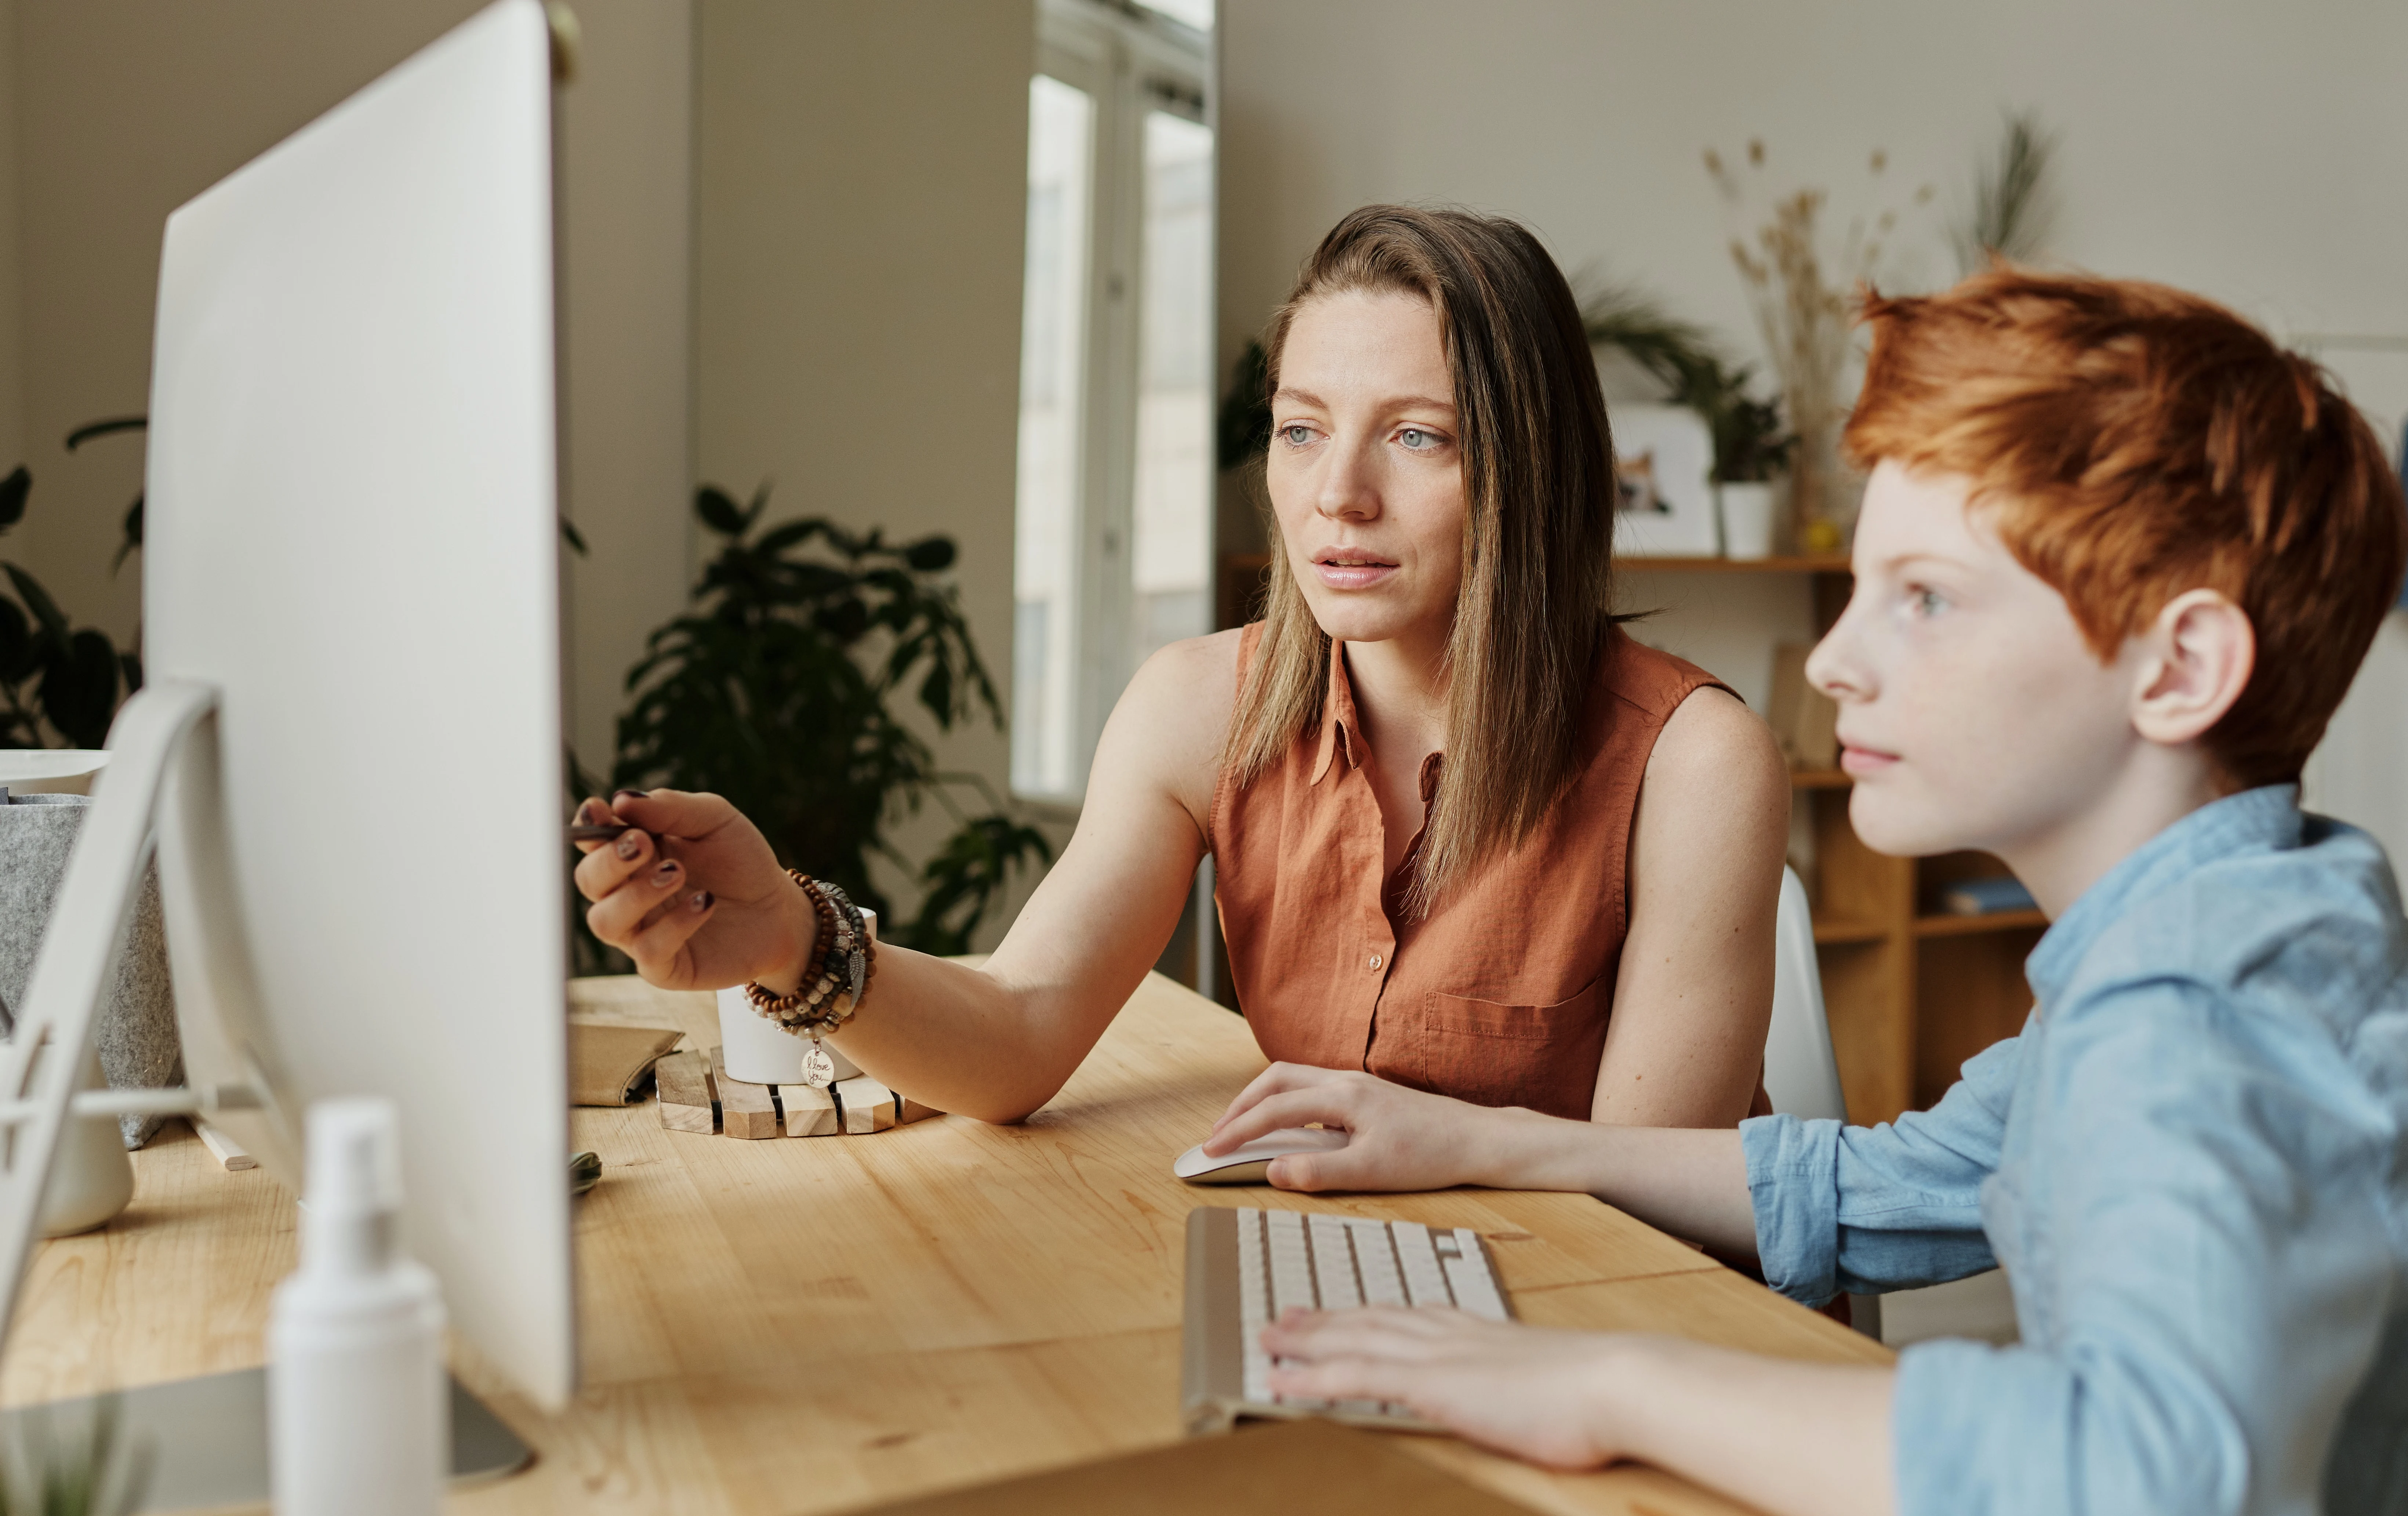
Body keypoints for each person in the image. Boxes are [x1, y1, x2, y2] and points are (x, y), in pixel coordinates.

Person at [1201, 270, 2408, 1516]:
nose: (1834, 664)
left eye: (1924, 599)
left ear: (2178, 671)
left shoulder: (2211, 1012)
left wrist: (1613, 1382)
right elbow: (1889, 1181)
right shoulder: (2245, 929)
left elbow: (2138, 1476)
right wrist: (1482, 1138)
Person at [571, 204, 1790, 1128]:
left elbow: (1646, 1210)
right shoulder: (1200, 705)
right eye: (1302, 428)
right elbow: (1019, 1031)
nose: (1336, 496)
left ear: (1535, 472)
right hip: (1365, 1289)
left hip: (1614, 1332)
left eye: (1418, 437)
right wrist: (792, 935)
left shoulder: (1696, 763)